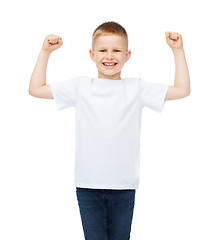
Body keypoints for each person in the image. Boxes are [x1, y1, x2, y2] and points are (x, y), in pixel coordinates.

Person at [29, 21, 190, 240]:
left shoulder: (137, 88)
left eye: (116, 50)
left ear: (127, 55)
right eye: (103, 50)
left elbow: (182, 90)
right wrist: (45, 51)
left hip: (123, 185)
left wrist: (178, 51)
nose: (110, 56)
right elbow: (35, 89)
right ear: (92, 54)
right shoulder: (81, 86)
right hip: (88, 185)